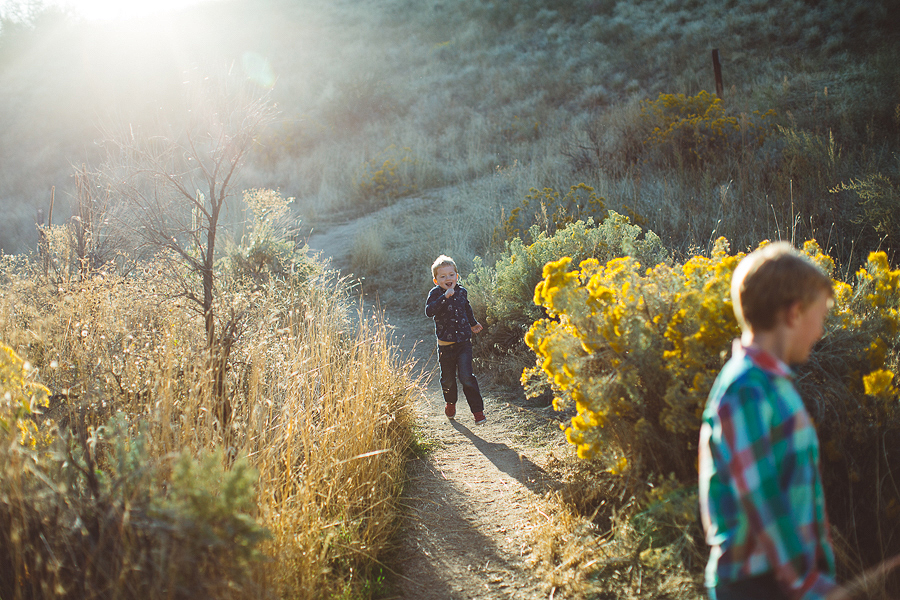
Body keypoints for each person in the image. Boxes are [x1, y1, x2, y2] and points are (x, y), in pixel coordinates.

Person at [699, 242, 838, 600]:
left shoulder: (772, 384)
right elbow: (762, 498)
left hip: (776, 580)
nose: (820, 331)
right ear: (793, 314)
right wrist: (806, 584)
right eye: (819, 317)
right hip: (757, 585)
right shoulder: (746, 388)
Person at [425, 254, 486, 424]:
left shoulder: (461, 292)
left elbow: (467, 308)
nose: (448, 278)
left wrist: (473, 324)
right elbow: (429, 311)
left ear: (456, 276)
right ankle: (450, 403)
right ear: (436, 280)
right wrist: (445, 297)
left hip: (463, 343)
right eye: (443, 276)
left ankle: (478, 412)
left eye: (451, 275)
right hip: (445, 346)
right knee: (448, 380)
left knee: (467, 376)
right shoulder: (435, 294)